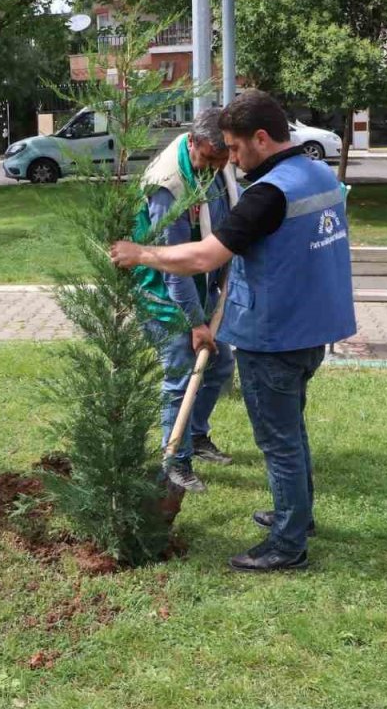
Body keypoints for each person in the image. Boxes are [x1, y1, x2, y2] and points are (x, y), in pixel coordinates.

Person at [110, 90, 356, 572]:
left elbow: (203, 256)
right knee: (293, 429)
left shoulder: (269, 193)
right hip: (315, 329)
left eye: (237, 149)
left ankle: (288, 545)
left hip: (275, 335)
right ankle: (297, 517)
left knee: (278, 441)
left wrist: (140, 253)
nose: (233, 161)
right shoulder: (319, 172)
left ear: (261, 139)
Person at [133, 107, 239, 493]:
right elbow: (171, 265)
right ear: (193, 143)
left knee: (221, 360)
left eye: (222, 158)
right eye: (209, 159)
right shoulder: (168, 186)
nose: (217, 166)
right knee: (181, 374)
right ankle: (175, 459)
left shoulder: (217, 158)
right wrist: (195, 324)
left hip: (204, 284)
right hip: (165, 294)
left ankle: (195, 435)